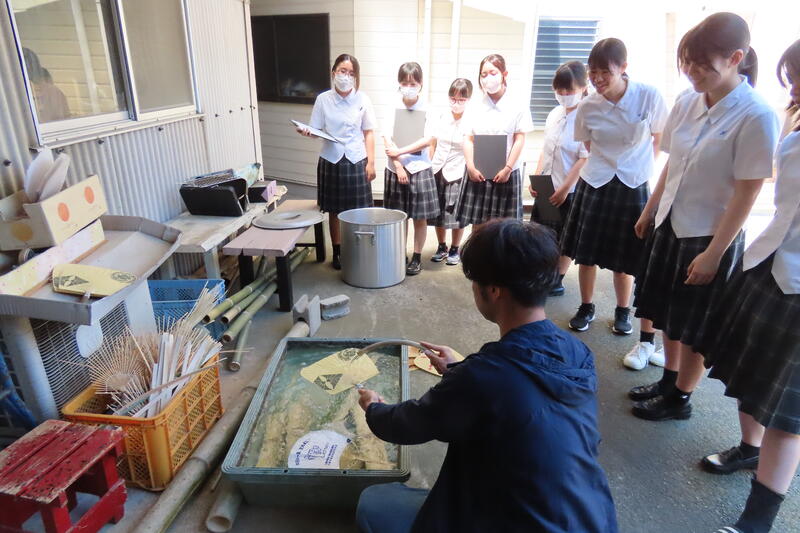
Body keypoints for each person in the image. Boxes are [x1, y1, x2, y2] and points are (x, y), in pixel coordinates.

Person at [354, 219, 618, 533]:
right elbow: (512, 394)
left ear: (492, 290)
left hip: (513, 522)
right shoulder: (578, 353)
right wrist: (458, 369)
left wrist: (373, 407)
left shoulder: (481, 377)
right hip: (591, 517)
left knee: (374, 503)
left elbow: (407, 424)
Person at [628, 13, 779, 422]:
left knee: (694, 324)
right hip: (671, 222)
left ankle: (680, 398)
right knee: (667, 312)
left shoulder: (756, 115)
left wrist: (714, 254)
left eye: (702, 65)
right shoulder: (686, 101)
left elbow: (749, 191)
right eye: (687, 64)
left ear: (735, 58)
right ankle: (668, 381)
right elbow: (672, 163)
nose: (692, 73)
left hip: (709, 234)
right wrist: (650, 209)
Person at [694, 39, 800, 533]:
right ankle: (748, 449)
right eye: (791, 77)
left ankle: (757, 520)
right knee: (753, 378)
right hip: (770, 261)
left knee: (785, 414)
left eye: (797, 77)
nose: (793, 87)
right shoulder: (794, 120)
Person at [559, 39, 667, 350]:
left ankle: (622, 311)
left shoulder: (648, 95)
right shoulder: (588, 105)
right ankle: (586, 306)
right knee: (586, 254)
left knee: (626, 257)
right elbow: (588, 144)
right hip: (596, 181)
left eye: (605, 72)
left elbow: (659, 138)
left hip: (633, 182)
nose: (598, 79)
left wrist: (641, 166)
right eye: (593, 72)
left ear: (623, 68)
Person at [297, 53, 377, 270]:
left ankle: (360, 249)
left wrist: (371, 162)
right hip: (331, 159)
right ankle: (338, 251)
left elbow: (369, 132)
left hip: (356, 159)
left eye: (351, 73)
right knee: (334, 210)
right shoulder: (323, 99)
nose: (346, 76)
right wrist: (307, 132)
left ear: (356, 76)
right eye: (343, 71)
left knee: (360, 209)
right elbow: (315, 130)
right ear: (334, 72)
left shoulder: (363, 99)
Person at [529, 61, 589, 296]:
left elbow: (584, 158)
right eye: (559, 89)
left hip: (570, 189)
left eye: (569, 89)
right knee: (542, 234)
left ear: (583, 87)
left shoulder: (586, 117)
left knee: (565, 237)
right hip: (546, 184)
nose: (563, 94)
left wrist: (565, 188)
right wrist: (536, 177)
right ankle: (542, 273)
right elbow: (546, 149)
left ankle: (557, 279)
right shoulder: (554, 113)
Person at [457, 54, 533, 227]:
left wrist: (508, 168)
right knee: (478, 224)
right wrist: (470, 167)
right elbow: (468, 138)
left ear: (504, 74)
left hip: (506, 173)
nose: (487, 78)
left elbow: (519, 139)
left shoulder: (518, 104)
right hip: (478, 171)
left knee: (506, 226)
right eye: (483, 75)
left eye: (493, 73)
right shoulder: (474, 105)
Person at [383, 62, 439, 275]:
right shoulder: (392, 105)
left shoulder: (428, 107)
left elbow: (428, 139)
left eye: (413, 83)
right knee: (399, 217)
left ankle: (416, 257)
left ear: (420, 83)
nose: (408, 87)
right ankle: (400, 253)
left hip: (420, 167)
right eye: (405, 83)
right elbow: (386, 137)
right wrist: (398, 165)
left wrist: (400, 151)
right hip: (395, 169)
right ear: (399, 83)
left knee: (419, 217)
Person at [427, 78, 473, 266]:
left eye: (461, 99)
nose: (456, 102)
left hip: (458, 170)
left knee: (455, 212)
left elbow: (472, 146)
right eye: (453, 98)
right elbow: (433, 142)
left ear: (468, 99)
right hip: (438, 168)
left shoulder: (471, 119)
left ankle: (455, 248)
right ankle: (441, 246)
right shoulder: (441, 116)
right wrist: (429, 164)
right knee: (438, 211)